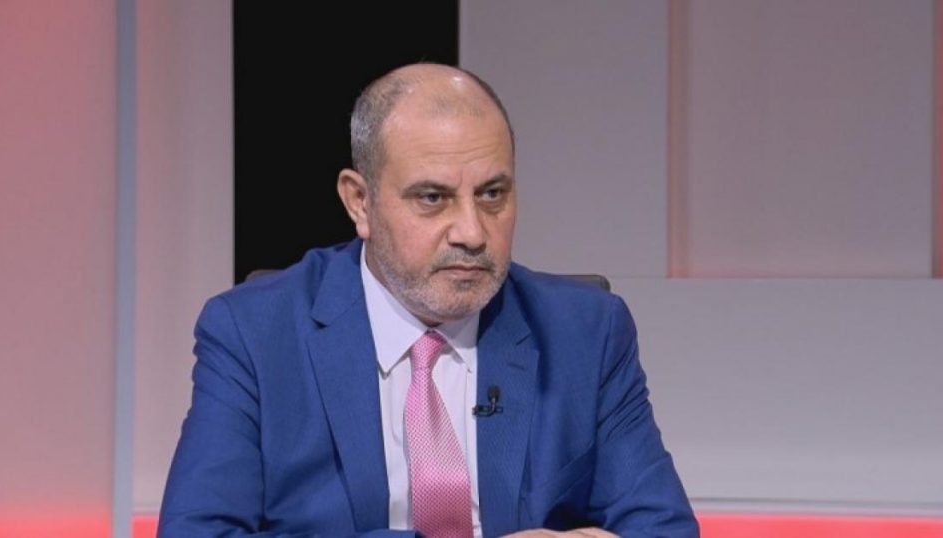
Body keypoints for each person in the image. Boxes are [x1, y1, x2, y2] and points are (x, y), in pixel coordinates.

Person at [159, 63, 698, 537]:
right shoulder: (254, 334)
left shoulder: (586, 332)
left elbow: (664, 528)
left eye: (492, 194)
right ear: (360, 202)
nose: (472, 232)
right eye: (433, 197)